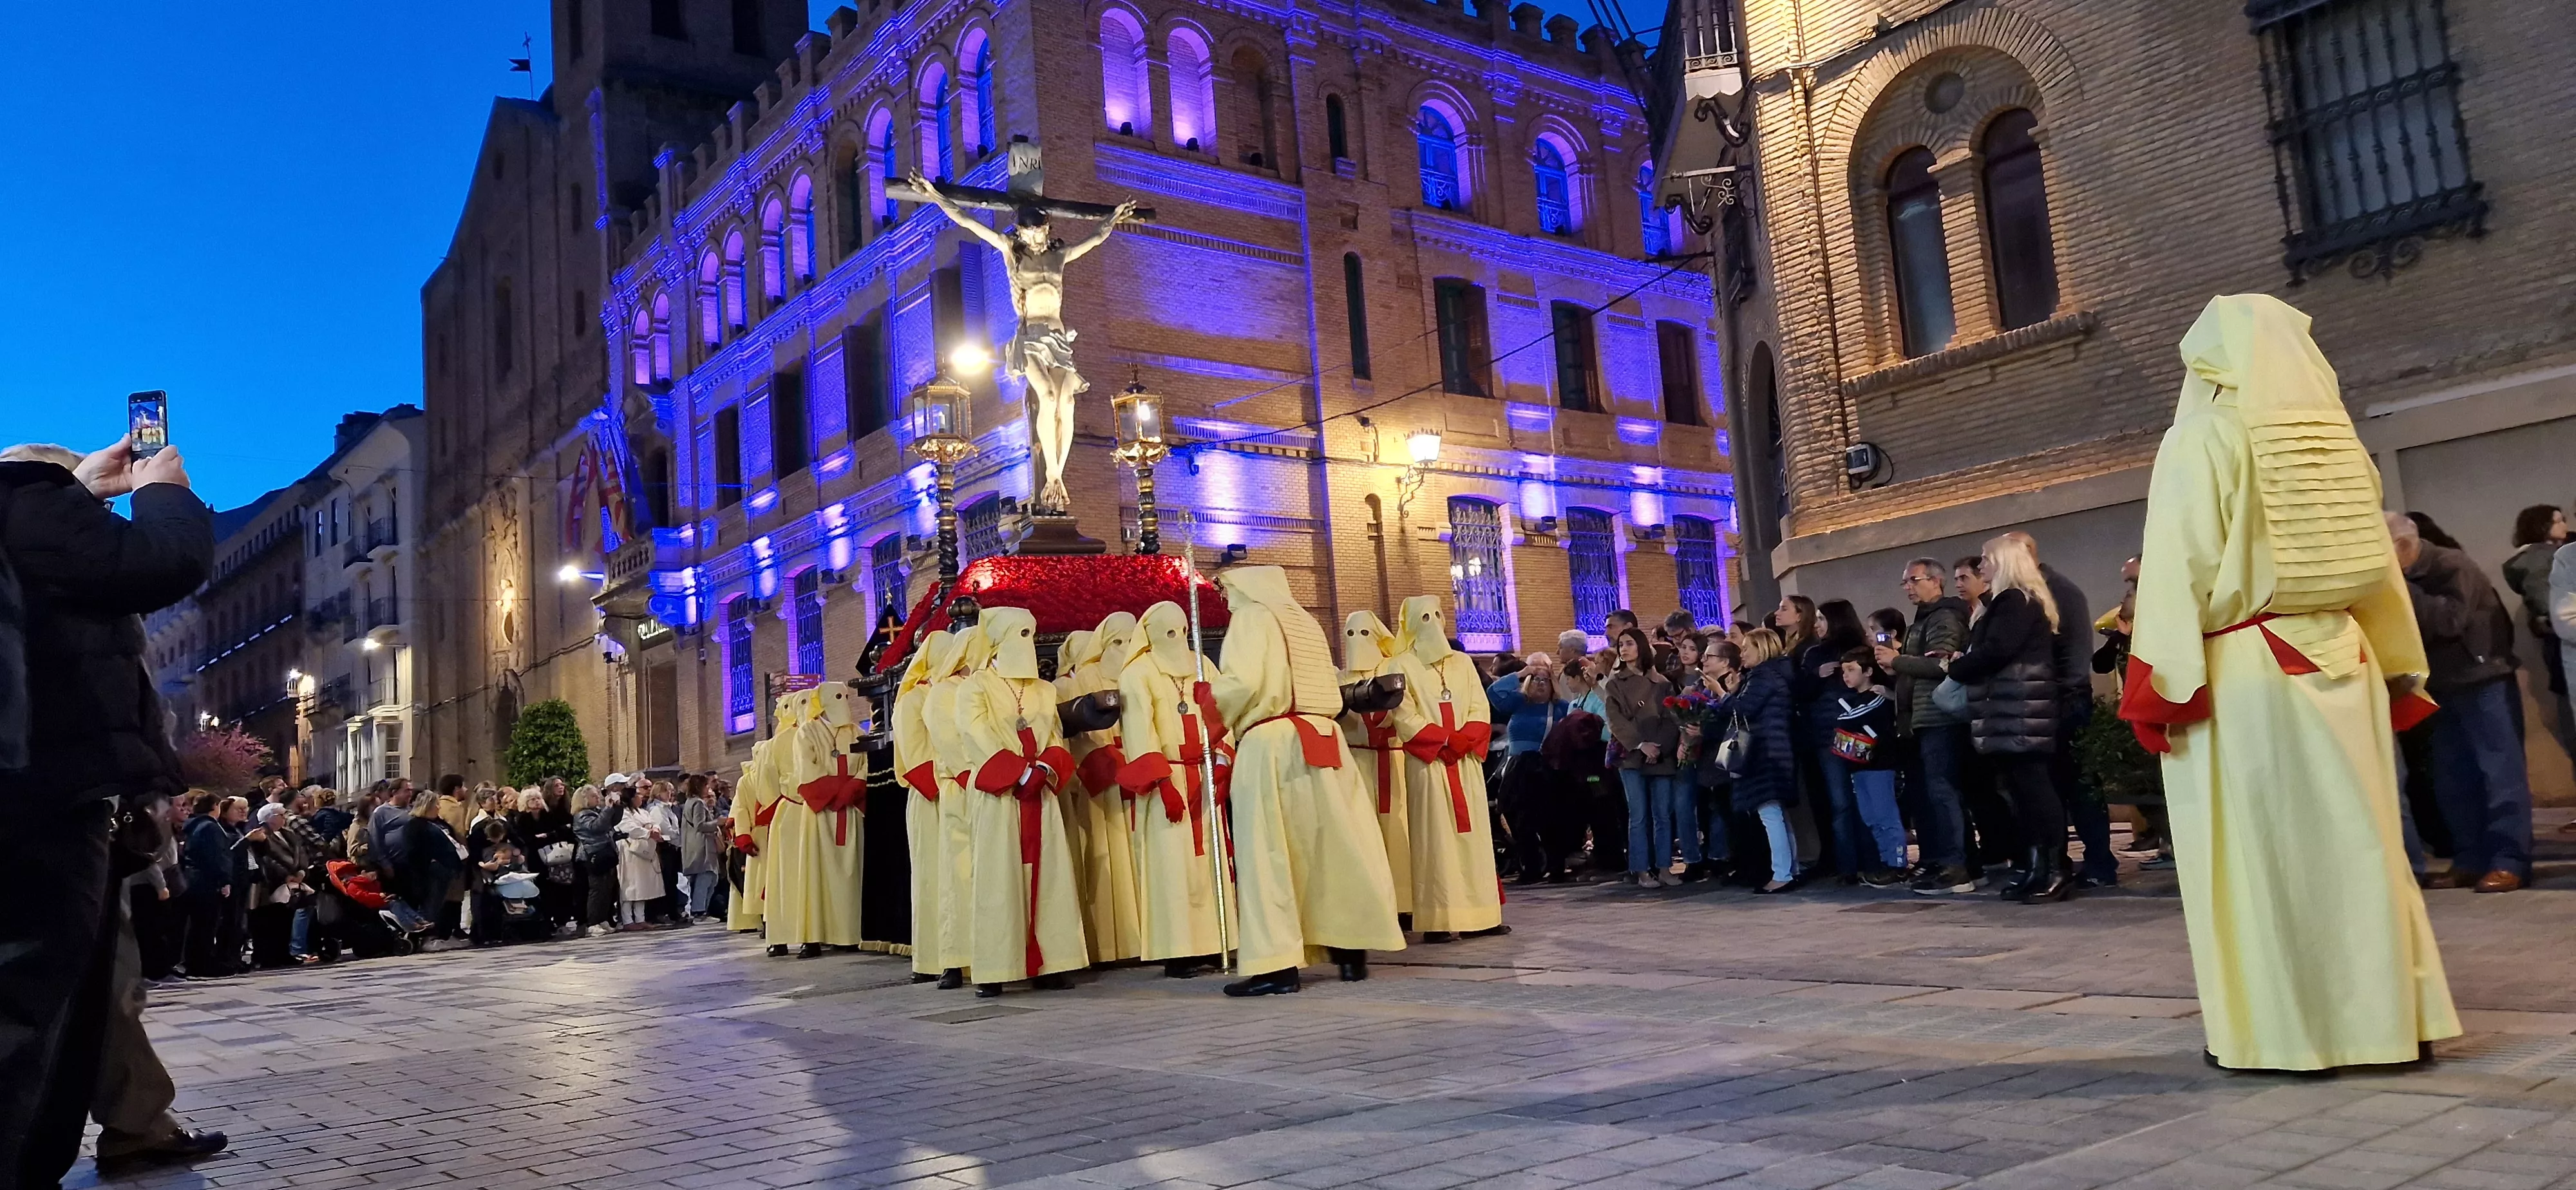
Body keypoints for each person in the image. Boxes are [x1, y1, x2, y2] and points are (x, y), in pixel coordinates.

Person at [2120, 294, 2458, 1072]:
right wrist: (2399, 664)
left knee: (2263, 859)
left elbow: (2178, 565)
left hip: (2246, 671)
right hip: (2345, 656)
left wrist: (2158, 684)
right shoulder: (2337, 442)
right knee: (2362, 847)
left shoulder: (2201, 437)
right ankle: (2390, 1027)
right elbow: (2376, 569)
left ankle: (2287, 1036)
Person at [0, 433, 218, 1183]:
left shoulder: (26, 519)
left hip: (42, 791)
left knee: (60, 997)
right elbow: (162, 563)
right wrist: (166, 493)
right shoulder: (25, 508)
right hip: (46, 797)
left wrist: (81, 491)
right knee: (33, 1001)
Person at [1209, 566, 1405, 996]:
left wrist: (1208, 716)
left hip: (1272, 741)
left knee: (1269, 853)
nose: (1224, 599)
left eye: (1226, 588)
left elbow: (1241, 683)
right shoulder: (1306, 619)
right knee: (1337, 849)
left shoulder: (1252, 617)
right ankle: (1350, 953)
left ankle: (1276, 966)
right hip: (1325, 739)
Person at [2391, 512, 2533, 892]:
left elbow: (2450, 621)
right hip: (2440, 686)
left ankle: (2510, 860)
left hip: (2483, 681)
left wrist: (2402, 586)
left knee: (2499, 773)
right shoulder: (2408, 574)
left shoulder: (2451, 565)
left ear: (2403, 545)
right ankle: (2469, 859)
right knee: (2452, 778)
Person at [956, 608, 1088, 995]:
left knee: (1050, 878)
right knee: (999, 879)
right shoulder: (976, 687)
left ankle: (1053, 962)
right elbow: (976, 735)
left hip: (1040, 796)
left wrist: (1045, 769)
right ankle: (996, 968)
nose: (1027, 641)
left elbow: (1055, 739)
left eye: (1030, 633)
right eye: (1019, 633)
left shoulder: (1044, 690)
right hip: (1001, 797)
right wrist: (1019, 772)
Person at [1942, 533, 2069, 903]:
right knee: (2022, 793)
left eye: (1985, 558)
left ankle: (2054, 869)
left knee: (2035, 791)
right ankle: (2035, 868)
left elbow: (1998, 650)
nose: (1980, 565)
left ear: (2003, 563)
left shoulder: (2015, 600)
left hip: (2022, 709)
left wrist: (1959, 666)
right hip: (2012, 710)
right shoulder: (2009, 602)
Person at [1117, 601, 1234, 978]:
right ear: (1150, 633)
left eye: (1183, 631)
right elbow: (1139, 730)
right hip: (1168, 778)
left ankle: (1216, 942)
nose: (1179, 639)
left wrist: (1221, 760)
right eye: (1169, 632)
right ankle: (1178, 951)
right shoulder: (1138, 672)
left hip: (1203, 772)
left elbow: (1222, 712)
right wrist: (1163, 782)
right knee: (1173, 865)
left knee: (1209, 862)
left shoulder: (1202, 663)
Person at [1387, 596, 1505, 940]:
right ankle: (1440, 920)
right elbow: (1403, 715)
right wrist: (1442, 741)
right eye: (1424, 617)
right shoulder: (1400, 664)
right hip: (1429, 766)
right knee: (1434, 840)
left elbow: (1479, 707)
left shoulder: (1464, 662)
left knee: (1475, 840)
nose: (1433, 622)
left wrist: (1464, 740)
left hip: (1464, 763)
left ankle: (1483, 917)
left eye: (1438, 615)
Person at [1875, 558, 1978, 894]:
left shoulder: (1945, 616)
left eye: (1914, 580)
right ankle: (1951, 861)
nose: (1908, 587)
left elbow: (1943, 665)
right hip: (1923, 715)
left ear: (1936, 581)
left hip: (1940, 716)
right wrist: (1899, 666)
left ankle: (1957, 866)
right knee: (1935, 793)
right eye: (1904, 582)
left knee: (1944, 791)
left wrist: (1897, 660)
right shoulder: (1925, 619)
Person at [893, 632, 967, 982]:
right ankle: (932, 958)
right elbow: (913, 755)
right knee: (934, 877)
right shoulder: (912, 700)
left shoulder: (955, 693)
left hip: (954, 790)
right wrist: (946, 783)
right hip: (931, 796)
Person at [1601, 627, 1690, 889]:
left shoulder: (1662, 683)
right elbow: (1615, 721)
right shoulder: (1616, 684)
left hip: (1660, 756)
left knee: (1663, 814)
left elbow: (1672, 719)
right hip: (1631, 757)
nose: (1624, 649)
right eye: (1621, 644)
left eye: (1629, 643)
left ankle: (1664, 867)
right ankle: (1640, 869)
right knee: (1638, 815)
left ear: (1641, 646)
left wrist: (1658, 747)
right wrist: (1641, 745)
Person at [1340, 612, 1414, 916]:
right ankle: (1372, 906)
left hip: (1394, 761)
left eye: (1365, 633)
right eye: (1352, 634)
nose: (1358, 640)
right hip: (1356, 762)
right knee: (1363, 832)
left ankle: (1405, 904)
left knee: (1400, 834)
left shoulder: (1393, 670)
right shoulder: (1338, 677)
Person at [1488, 651, 1573, 885]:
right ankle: (1531, 866)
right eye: (1535, 679)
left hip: (1544, 770)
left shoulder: (1560, 707)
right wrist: (1522, 673)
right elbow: (1494, 692)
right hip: (1517, 768)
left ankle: (1556, 867)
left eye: (1544, 680)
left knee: (1549, 820)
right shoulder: (1519, 702)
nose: (1539, 684)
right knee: (1516, 818)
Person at [1727, 629, 1801, 893]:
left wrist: (1723, 694)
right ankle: (1791, 869)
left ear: (1762, 649)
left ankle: (1782, 874)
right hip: (1775, 750)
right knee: (1777, 813)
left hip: (1765, 753)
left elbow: (1743, 710)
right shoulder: (1773, 674)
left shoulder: (1764, 676)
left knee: (1769, 813)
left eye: (1747, 648)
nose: (1742, 653)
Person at [1824, 650, 1908, 883]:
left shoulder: (1878, 697)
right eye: (1843, 671)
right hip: (1859, 766)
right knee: (1871, 817)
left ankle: (1898, 864)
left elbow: (1851, 718)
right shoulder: (1854, 699)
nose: (1846, 676)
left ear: (1869, 672)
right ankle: (1885, 861)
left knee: (1885, 816)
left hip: (1880, 765)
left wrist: (1838, 718)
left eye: (1852, 670)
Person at [2503, 505, 2574, 763]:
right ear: (2542, 526)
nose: (2565, 526)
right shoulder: (2539, 560)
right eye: (2559, 521)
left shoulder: (2549, 557)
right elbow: (2554, 608)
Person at [177, 795, 237, 978]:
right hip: (207, 881)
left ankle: (195, 962)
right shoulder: (211, 827)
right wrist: (224, 880)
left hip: (192, 878)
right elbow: (217, 857)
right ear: (215, 806)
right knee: (207, 925)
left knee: (197, 926)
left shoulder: (193, 826)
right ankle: (203, 964)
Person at [402, 792, 467, 944]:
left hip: (445, 872)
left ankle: (434, 934)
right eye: (436, 804)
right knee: (429, 906)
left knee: (438, 905)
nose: (439, 807)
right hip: (429, 874)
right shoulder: (415, 825)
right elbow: (413, 852)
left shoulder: (440, 823)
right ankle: (423, 937)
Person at [613, 787, 667, 929]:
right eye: (637, 795)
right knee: (630, 885)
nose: (641, 798)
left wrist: (655, 829)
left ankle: (640, 918)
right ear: (630, 797)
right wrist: (648, 832)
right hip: (629, 850)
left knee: (642, 886)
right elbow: (629, 828)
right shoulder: (623, 812)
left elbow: (653, 823)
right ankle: (627, 920)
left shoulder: (643, 812)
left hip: (645, 850)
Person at [680, 775, 724, 920]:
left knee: (710, 879)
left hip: (696, 846)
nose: (709, 789)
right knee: (705, 879)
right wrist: (718, 822)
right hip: (702, 846)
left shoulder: (690, 802)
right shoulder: (698, 803)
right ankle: (699, 912)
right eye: (706, 786)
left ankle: (702, 910)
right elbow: (700, 825)